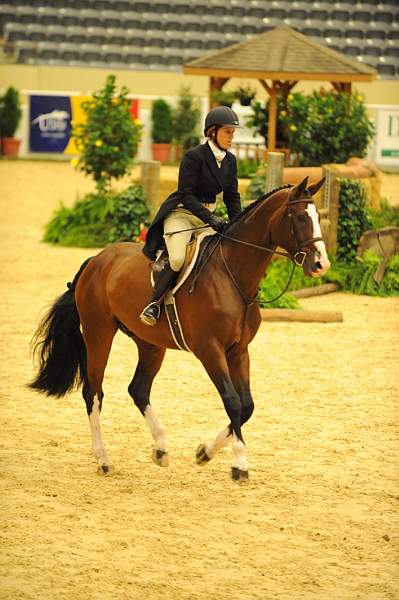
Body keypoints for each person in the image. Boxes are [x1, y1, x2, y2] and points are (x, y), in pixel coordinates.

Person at [140, 105, 242, 326]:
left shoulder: (230, 161)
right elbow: (186, 195)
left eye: (233, 132)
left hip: (207, 218)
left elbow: (232, 196)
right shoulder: (193, 157)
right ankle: (154, 303)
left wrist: (239, 224)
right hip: (182, 215)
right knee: (177, 259)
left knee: (217, 260)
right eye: (227, 132)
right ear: (212, 132)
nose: (231, 137)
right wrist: (210, 219)